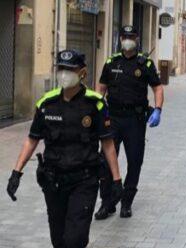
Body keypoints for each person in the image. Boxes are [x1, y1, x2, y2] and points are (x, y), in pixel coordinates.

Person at [6, 49, 122, 248]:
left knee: (75, 240)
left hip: (84, 180)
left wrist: (116, 180)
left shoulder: (95, 104)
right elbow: (31, 140)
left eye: (70, 69)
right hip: (54, 181)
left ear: (82, 72)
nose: (64, 73)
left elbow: (108, 145)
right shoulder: (46, 103)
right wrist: (16, 172)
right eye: (61, 68)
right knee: (59, 240)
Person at [95, 25, 164, 220]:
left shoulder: (145, 64)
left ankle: (126, 202)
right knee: (106, 161)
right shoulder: (111, 62)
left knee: (135, 161)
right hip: (113, 119)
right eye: (124, 36)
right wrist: (98, 110)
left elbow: (157, 88)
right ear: (120, 39)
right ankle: (106, 203)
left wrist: (158, 109)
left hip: (135, 120)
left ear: (136, 38)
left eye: (130, 36)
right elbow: (101, 88)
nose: (127, 39)